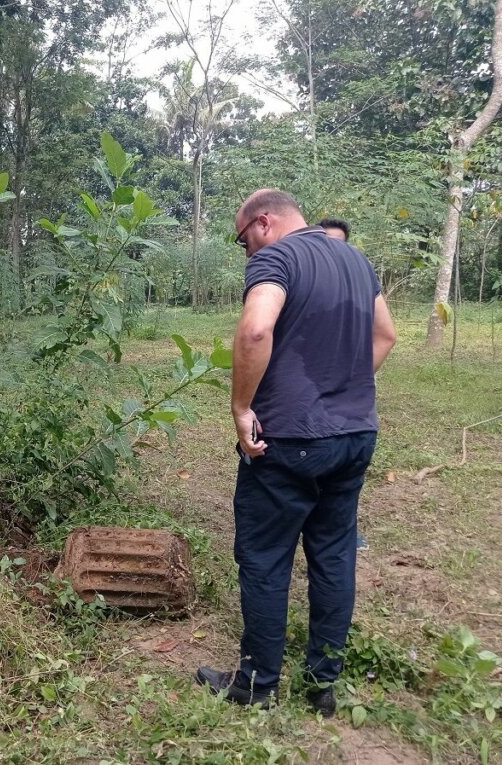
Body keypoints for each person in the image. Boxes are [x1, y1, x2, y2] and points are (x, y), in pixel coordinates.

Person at [196, 189, 397, 717]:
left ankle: (257, 685)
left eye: (243, 240)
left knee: (264, 558)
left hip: (287, 439)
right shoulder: (356, 259)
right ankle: (322, 684)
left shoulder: (277, 258)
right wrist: (342, 389)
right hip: (354, 436)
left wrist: (242, 407)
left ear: (263, 223)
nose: (246, 251)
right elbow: (386, 335)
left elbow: (257, 327)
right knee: (334, 556)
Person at [317, 216, 369, 551]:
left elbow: (384, 335)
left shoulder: (355, 280)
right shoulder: (308, 279)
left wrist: (355, 372)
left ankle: (341, 527)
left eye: (339, 242)